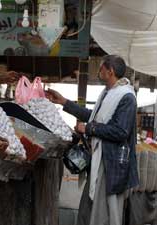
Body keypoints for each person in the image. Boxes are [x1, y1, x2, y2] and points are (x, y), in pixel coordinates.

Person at [46, 55, 139, 225]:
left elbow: (121, 131)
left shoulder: (126, 97)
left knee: (105, 214)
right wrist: (64, 102)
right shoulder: (108, 93)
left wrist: (89, 128)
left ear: (110, 72)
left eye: (101, 68)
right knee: (89, 211)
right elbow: (94, 116)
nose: (99, 71)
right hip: (99, 160)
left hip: (111, 165)